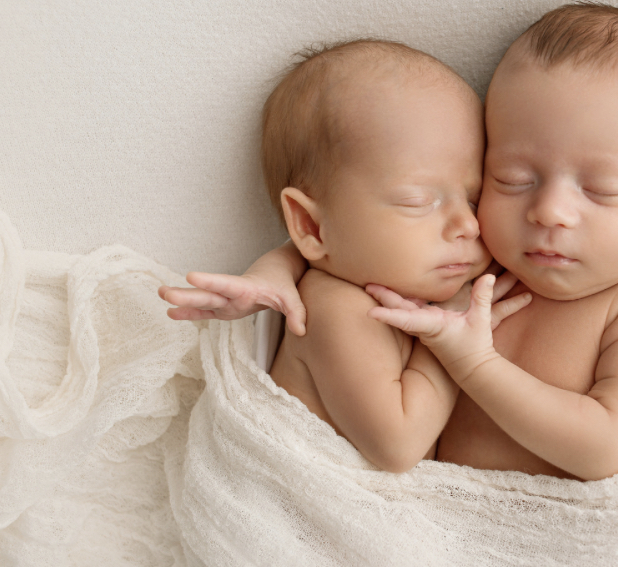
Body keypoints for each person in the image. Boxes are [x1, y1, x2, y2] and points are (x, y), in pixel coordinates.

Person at [162, 3, 618, 481]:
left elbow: (606, 448)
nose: (549, 212)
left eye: (602, 189)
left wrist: (473, 362)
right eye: (511, 179)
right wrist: (271, 273)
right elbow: (340, 253)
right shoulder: (476, 263)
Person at [158, 39, 530, 473]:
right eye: (417, 201)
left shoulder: (401, 273)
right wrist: (452, 335)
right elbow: (398, 446)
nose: (467, 225)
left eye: (474, 197)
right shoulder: (338, 308)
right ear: (313, 227)